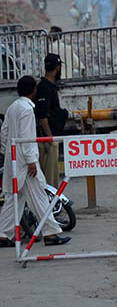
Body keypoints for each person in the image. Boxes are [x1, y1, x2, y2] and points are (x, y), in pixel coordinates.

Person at [0, 76, 70, 248]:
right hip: (25, 162)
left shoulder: (13, 108)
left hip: (13, 159)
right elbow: (27, 138)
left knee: (13, 198)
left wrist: (7, 152)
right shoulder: (26, 110)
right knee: (38, 195)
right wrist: (31, 160)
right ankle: (50, 234)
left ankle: (3, 235)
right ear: (33, 90)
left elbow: (4, 133)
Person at [34, 54, 69, 187]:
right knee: (49, 180)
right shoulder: (44, 87)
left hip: (50, 138)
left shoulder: (48, 86)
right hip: (47, 140)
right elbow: (42, 116)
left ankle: (53, 204)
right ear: (57, 68)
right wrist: (50, 138)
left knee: (53, 179)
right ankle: (50, 206)